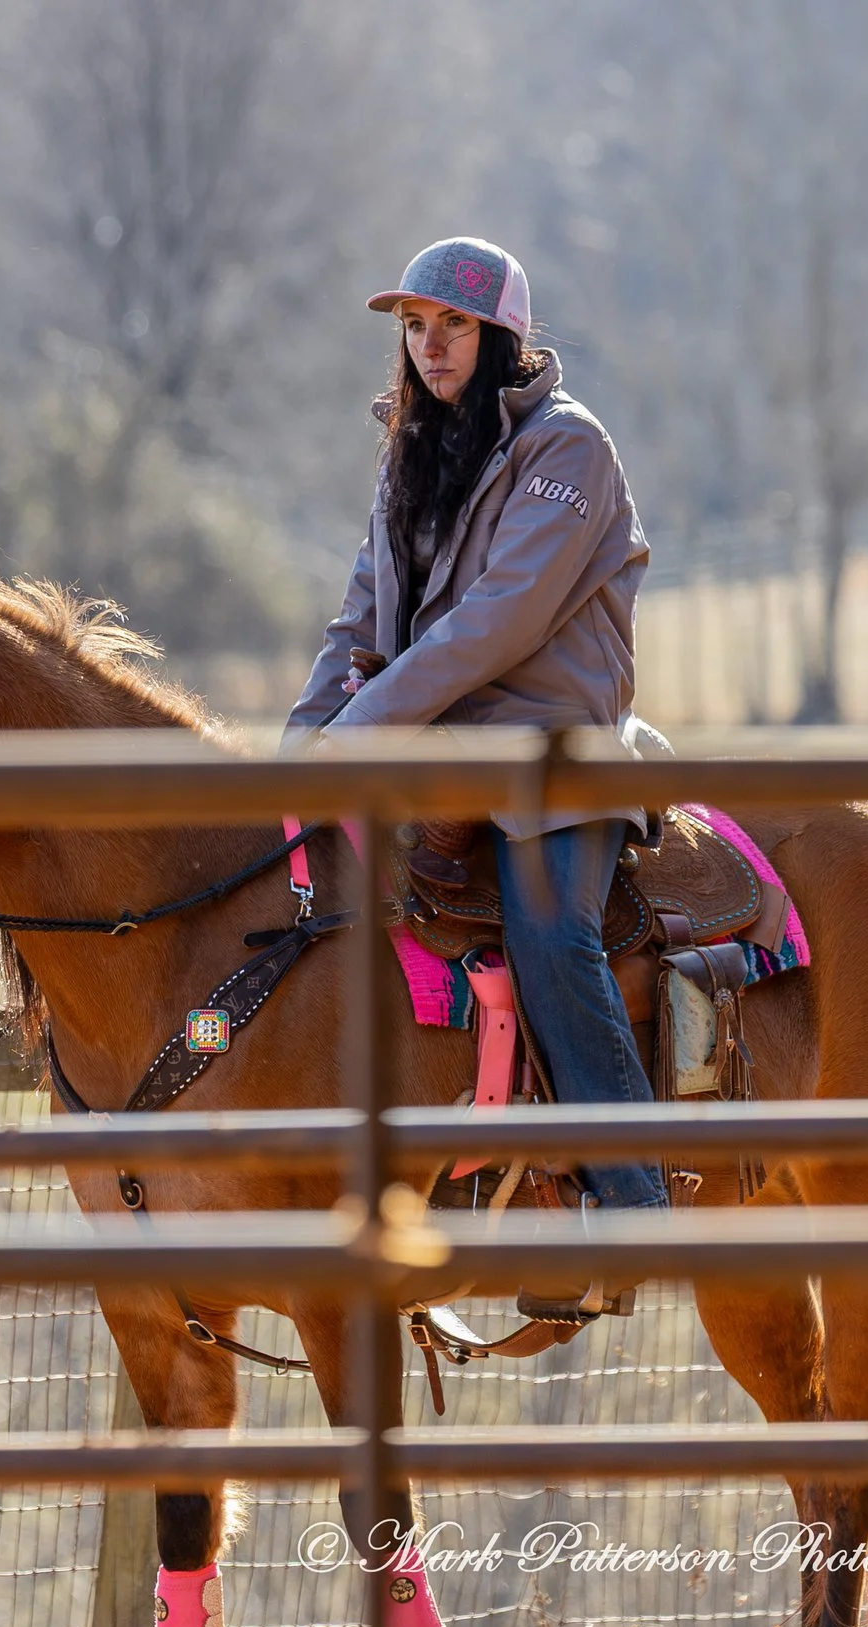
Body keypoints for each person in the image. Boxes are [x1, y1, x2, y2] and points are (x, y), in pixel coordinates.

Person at [286, 237, 667, 1314]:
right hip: (425, 740)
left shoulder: (569, 451)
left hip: (551, 749)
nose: (429, 344)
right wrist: (293, 747)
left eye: (450, 325)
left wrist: (355, 734)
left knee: (550, 930)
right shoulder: (411, 453)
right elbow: (359, 614)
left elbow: (491, 629)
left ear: (503, 337)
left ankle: (630, 1200)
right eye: (414, 326)